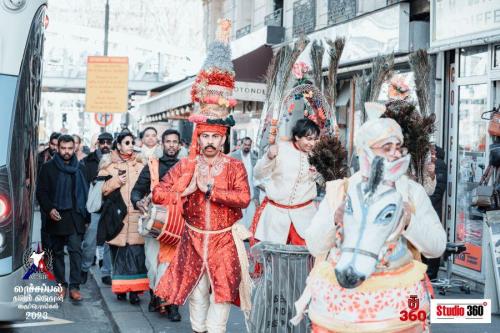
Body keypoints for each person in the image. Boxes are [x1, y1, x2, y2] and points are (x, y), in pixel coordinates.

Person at [299, 103, 446, 332]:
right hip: (344, 307)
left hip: (401, 305)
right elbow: (314, 245)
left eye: (398, 147)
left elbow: (437, 246)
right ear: (366, 152)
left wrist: (408, 221)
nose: (395, 153)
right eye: (386, 147)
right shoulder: (341, 191)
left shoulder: (412, 192)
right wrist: (335, 220)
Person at [152, 19, 252, 333]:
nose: (210, 142)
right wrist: (184, 190)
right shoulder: (185, 166)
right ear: (200, 137)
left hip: (224, 242)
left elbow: (245, 199)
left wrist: (212, 192)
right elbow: (158, 194)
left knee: (222, 296)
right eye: (205, 137)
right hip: (193, 239)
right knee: (197, 294)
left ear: (224, 139)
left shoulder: (235, 166)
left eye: (216, 137)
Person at [131, 129, 181, 320]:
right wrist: (139, 202)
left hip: (177, 224)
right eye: (168, 141)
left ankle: (172, 306)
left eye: (174, 141)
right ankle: (156, 295)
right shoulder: (152, 166)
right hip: (155, 223)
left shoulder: (186, 167)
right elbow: (136, 191)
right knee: (152, 264)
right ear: (162, 144)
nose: (171, 145)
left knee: (172, 265)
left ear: (179, 145)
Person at [251, 118, 320, 246]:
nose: (312, 143)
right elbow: (258, 174)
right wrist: (269, 157)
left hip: (305, 216)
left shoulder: (318, 155)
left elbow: (324, 181)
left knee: (305, 260)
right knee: (273, 259)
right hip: (276, 216)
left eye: (315, 140)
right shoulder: (280, 149)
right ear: (297, 136)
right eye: (308, 138)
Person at [98, 131, 148, 305]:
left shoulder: (141, 166)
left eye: (132, 142)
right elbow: (102, 190)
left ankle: (134, 292)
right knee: (118, 256)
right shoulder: (108, 165)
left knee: (135, 256)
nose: (130, 145)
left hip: (136, 216)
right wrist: (117, 181)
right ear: (118, 145)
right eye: (127, 142)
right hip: (116, 218)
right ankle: (120, 289)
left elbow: (148, 189)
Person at [36, 135, 89, 301]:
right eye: (63, 148)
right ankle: (61, 284)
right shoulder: (48, 167)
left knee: (75, 251)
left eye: (69, 148)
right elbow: (41, 192)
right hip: (57, 215)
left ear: (74, 149)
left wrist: (86, 217)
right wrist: (49, 209)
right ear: (58, 148)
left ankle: (74, 286)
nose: (66, 152)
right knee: (57, 252)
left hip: (75, 216)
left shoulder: (80, 168)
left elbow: (86, 194)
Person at [80, 132, 114, 286]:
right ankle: (84, 268)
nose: (105, 144)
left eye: (108, 142)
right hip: (94, 208)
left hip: (111, 207)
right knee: (90, 242)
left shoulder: (116, 161)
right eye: (103, 142)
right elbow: (83, 187)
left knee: (109, 241)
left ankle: (106, 272)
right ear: (98, 144)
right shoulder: (88, 162)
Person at [422, 144, 447, 280]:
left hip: (433, 207)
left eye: (431, 151)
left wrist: (427, 202)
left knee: (431, 238)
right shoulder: (430, 164)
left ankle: (432, 272)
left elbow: (439, 188)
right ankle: (427, 270)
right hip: (429, 206)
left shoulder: (439, 164)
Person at [37, 131, 61, 250]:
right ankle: (47, 251)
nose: (55, 147)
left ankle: (57, 248)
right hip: (45, 196)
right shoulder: (41, 157)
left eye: (57, 145)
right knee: (45, 224)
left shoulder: (64, 159)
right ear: (49, 143)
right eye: (53, 144)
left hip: (59, 197)